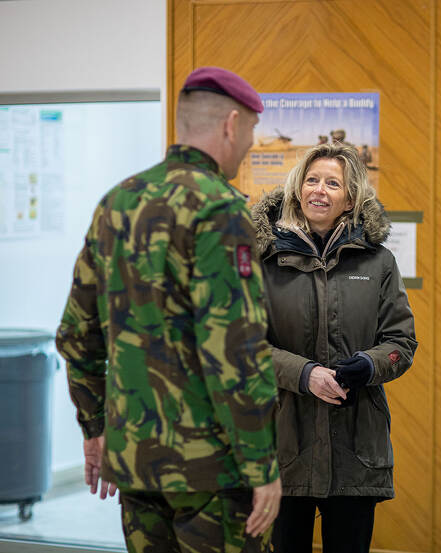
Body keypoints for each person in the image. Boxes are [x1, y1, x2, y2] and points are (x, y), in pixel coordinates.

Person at [55, 66, 282, 552]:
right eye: (251, 132)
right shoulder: (219, 208)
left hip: (134, 460)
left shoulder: (117, 203)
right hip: (212, 472)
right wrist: (261, 464)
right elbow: (235, 349)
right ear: (231, 124)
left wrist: (95, 428)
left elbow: (77, 333)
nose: (249, 146)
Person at [251, 142, 417, 553]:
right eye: (311, 180)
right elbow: (247, 348)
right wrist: (305, 375)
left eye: (331, 183)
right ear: (297, 189)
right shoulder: (264, 260)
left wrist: (368, 365)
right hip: (284, 444)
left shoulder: (377, 261)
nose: (318, 191)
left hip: (356, 446)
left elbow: (401, 342)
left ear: (350, 197)